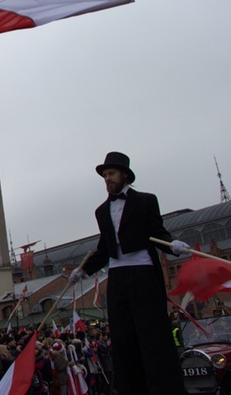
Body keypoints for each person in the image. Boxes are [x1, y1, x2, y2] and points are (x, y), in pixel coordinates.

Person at [69, 152, 190, 395]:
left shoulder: (146, 201)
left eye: (111, 174)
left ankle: (164, 389)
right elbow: (104, 248)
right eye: (104, 176)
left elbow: (158, 231)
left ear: (124, 174)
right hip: (118, 276)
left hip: (142, 271)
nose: (107, 179)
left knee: (151, 333)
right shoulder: (102, 211)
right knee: (123, 337)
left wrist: (173, 245)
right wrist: (83, 270)